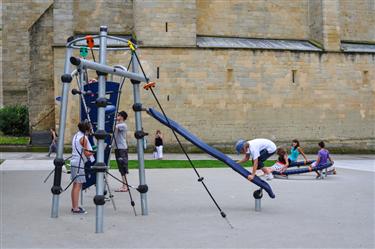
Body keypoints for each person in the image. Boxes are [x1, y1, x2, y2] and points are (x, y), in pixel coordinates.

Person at [70, 120, 94, 214]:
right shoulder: (84, 138)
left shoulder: (76, 135)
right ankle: (75, 208)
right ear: (87, 129)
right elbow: (87, 153)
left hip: (74, 161)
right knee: (78, 185)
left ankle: (74, 206)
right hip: (79, 163)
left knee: (75, 185)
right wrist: (95, 151)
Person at [113, 111, 129, 192]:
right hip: (118, 148)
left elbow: (115, 127)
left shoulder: (122, 125)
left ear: (122, 117)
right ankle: (124, 185)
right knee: (121, 167)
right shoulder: (118, 124)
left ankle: (125, 186)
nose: (117, 116)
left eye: (118, 115)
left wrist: (115, 120)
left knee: (122, 167)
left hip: (121, 148)